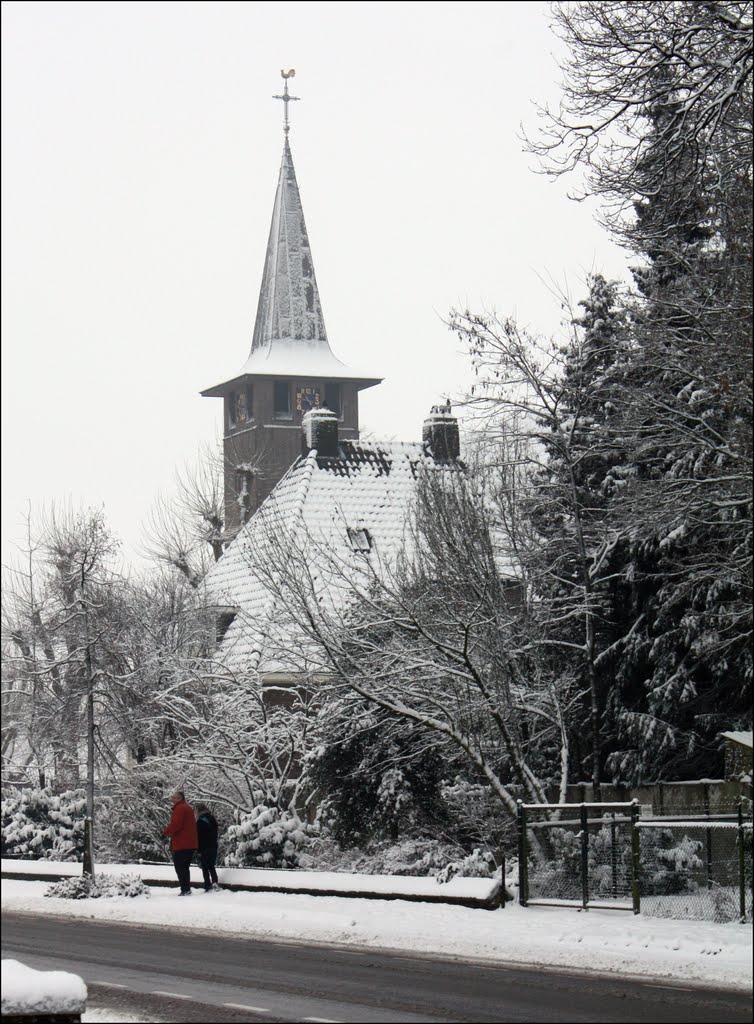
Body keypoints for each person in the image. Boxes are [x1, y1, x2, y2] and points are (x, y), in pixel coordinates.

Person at [162, 791, 198, 895]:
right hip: (190, 844)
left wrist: (165, 833)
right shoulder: (187, 808)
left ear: (179, 798)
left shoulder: (180, 808)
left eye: (174, 798)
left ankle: (185, 889)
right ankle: (186, 888)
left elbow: (176, 824)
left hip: (182, 844)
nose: (172, 800)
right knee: (185, 867)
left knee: (180, 867)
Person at [194, 801, 220, 892]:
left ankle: (207, 885)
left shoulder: (199, 822)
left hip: (204, 847)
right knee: (211, 866)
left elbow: (199, 837)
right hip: (213, 846)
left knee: (205, 867)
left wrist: (198, 850)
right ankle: (215, 882)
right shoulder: (212, 819)